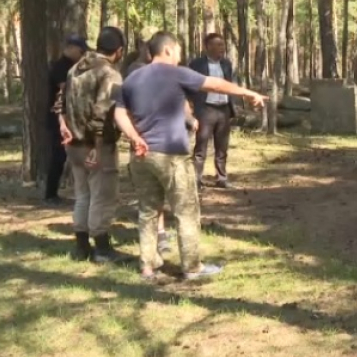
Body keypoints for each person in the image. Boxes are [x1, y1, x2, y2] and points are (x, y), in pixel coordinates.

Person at [114, 31, 266, 280]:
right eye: (178, 51)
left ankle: (148, 265)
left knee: (148, 210)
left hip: (141, 156)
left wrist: (134, 137)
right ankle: (192, 266)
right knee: (186, 211)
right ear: (168, 50)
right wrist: (247, 93)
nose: (180, 56)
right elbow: (214, 84)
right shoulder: (175, 72)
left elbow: (119, 114)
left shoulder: (130, 78)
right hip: (171, 154)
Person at [58, 27, 129, 262]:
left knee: (82, 194)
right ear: (119, 51)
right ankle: (101, 248)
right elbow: (102, 113)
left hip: (74, 143)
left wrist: (64, 124)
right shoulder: (110, 74)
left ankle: (81, 246)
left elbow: (60, 102)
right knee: (102, 195)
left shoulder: (74, 69)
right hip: (97, 146)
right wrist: (98, 149)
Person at [123, 26, 173, 254]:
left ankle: (157, 239)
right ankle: (157, 238)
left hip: (161, 137)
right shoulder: (134, 70)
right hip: (143, 137)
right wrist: (134, 135)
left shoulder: (163, 70)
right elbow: (125, 109)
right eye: (146, 43)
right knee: (150, 195)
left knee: (157, 192)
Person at [189, 33, 237, 190]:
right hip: (205, 109)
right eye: (218, 45)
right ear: (208, 47)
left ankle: (222, 178)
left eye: (223, 45)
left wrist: (232, 108)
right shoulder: (196, 64)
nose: (222, 48)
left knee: (222, 147)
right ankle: (196, 179)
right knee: (201, 146)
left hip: (223, 109)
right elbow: (190, 86)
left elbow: (230, 85)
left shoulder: (227, 64)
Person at [45, 35, 89, 206]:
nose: (82, 53)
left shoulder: (73, 66)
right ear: (70, 48)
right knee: (58, 156)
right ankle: (50, 194)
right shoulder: (60, 67)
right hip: (57, 117)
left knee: (69, 155)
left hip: (71, 117)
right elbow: (68, 88)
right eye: (80, 50)